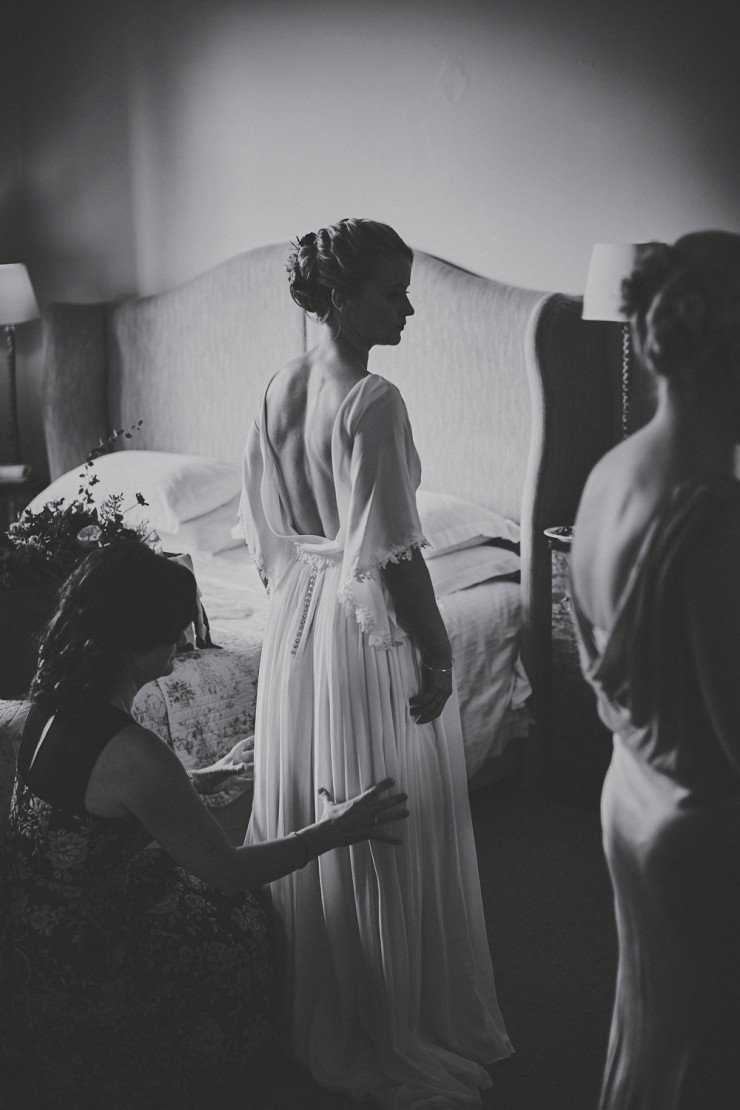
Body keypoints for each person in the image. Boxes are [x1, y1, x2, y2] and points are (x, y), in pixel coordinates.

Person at [239, 218, 512, 1108]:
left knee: (315, 795)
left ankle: (314, 999)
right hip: (358, 633)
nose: (407, 306)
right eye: (392, 291)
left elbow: (267, 534)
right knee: (380, 813)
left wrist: (297, 609)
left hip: (296, 621)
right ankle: (384, 1012)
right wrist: (437, 655)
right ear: (344, 295)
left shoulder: (275, 387)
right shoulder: (375, 399)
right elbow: (395, 555)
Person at [0, 540, 408, 1109]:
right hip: (95, 968)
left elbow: (95, 796)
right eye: (178, 627)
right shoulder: (136, 752)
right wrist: (332, 829)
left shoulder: (51, 703)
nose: (188, 639)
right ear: (147, 637)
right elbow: (230, 872)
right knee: (240, 915)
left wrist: (206, 774)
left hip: (41, 944)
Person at [570, 231, 740, 1109]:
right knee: (702, 1055)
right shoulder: (711, 520)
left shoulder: (608, 473)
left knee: (658, 1034)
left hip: (630, 799)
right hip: (708, 840)